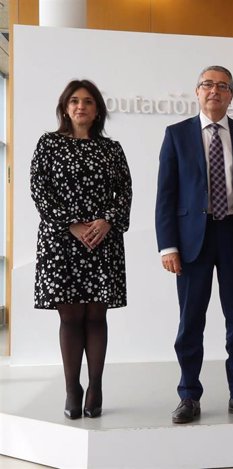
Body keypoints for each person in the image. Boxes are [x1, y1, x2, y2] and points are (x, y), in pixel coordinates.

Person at [155, 65, 233, 424]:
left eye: (223, 86)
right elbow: (166, 195)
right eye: (208, 84)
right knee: (191, 322)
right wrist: (167, 246)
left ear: (231, 95)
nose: (214, 91)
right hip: (193, 240)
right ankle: (189, 396)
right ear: (197, 91)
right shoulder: (176, 135)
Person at [30, 79, 133, 419]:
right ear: (64, 107)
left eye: (88, 101)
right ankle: (72, 388)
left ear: (97, 109)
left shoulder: (111, 149)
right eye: (74, 101)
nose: (80, 106)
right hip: (61, 241)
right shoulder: (48, 145)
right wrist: (72, 224)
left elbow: (125, 193)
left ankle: (96, 386)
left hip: (102, 241)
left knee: (96, 315)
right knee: (71, 316)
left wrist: (106, 221)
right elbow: (39, 190)